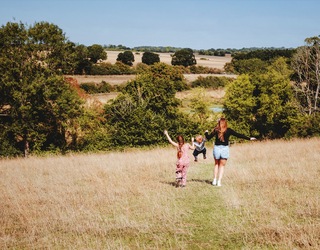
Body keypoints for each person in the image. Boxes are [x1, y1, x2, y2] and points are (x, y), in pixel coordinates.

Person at [205, 117, 256, 187]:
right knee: (222, 166)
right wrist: (249, 138)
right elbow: (238, 135)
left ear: (219, 123)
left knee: (216, 164)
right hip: (224, 149)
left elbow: (208, 138)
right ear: (225, 123)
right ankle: (219, 181)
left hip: (217, 148)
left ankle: (214, 180)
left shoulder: (216, 130)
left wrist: (206, 132)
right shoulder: (229, 130)